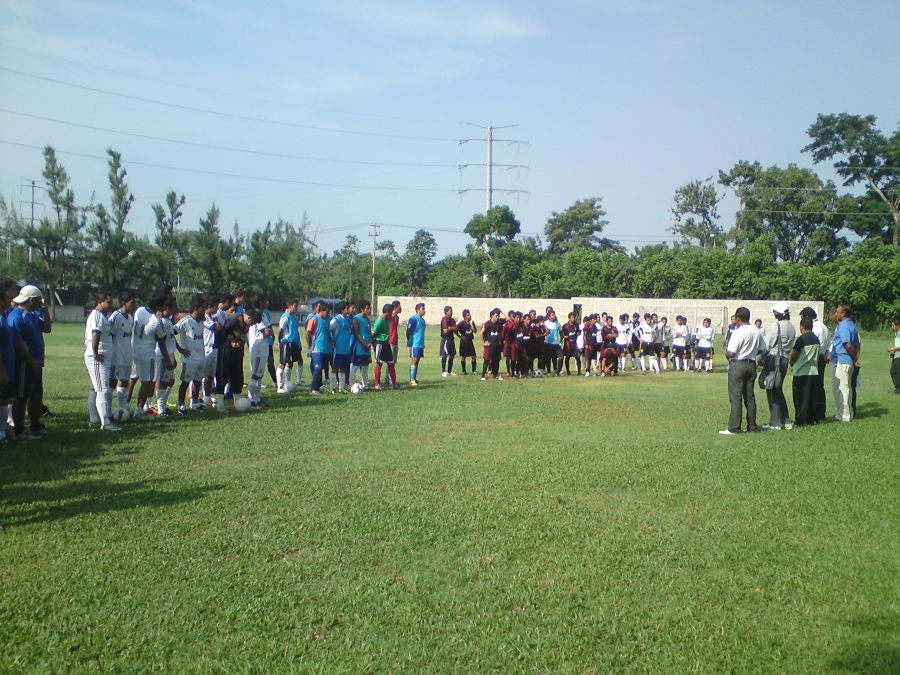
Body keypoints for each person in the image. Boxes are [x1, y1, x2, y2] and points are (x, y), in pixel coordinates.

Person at [8, 285, 53, 439]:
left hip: (36, 362)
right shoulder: (16, 317)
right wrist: (31, 361)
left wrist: (46, 313)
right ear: (31, 300)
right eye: (39, 300)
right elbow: (17, 343)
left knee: (36, 395)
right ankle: (19, 430)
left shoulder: (33, 314)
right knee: (21, 397)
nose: (41, 303)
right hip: (24, 363)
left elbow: (47, 329)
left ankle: (35, 426)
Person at [719, 306, 760, 435]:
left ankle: (734, 427)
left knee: (736, 397)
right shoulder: (756, 330)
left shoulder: (738, 332)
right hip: (751, 364)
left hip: (738, 364)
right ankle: (751, 426)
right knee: (750, 397)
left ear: (738, 318)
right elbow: (762, 349)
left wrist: (726, 355)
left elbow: (731, 353)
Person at [84, 292, 120, 431]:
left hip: (101, 357)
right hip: (98, 357)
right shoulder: (98, 315)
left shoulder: (101, 316)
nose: (111, 305)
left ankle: (94, 418)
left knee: (95, 388)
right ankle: (105, 422)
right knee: (102, 389)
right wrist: (95, 353)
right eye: (109, 302)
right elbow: (95, 334)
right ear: (100, 302)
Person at [763, 302, 797, 430]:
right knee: (778, 389)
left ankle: (775, 422)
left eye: (775, 312)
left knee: (771, 389)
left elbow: (767, 344)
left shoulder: (776, 326)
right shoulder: (791, 327)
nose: (774, 314)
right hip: (785, 358)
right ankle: (785, 420)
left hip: (774, 358)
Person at [213, 306, 253, 411]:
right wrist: (228, 343)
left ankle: (237, 404)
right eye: (251, 321)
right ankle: (220, 406)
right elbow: (221, 334)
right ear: (248, 317)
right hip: (225, 351)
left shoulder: (246, 324)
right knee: (222, 376)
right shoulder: (233, 320)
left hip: (237, 352)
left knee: (237, 377)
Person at [176, 296, 207, 413]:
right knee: (185, 382)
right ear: (196, 308)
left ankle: (195, 402)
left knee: (197, 381)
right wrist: (180, 349)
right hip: (189, 359)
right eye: (202, 308)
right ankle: (181, 405)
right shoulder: (186, 321)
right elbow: (170, 333)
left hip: (200, 357)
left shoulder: (201, 322)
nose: (204, 310)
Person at [829, 304, 860, 422]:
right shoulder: (853, 325)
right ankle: (846, 412)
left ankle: (844, 415)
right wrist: (855, 357)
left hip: (842, 360)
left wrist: (852, 357)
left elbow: (847, 344)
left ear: (843, 314)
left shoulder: (843, 326)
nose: (836, 314)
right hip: (846, 360)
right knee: (847, 388)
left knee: (842, 388)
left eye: (838, 312)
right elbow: (857, 344)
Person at [789, 318, 821, 427]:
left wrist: (791, 362)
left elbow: (794, 354)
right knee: (811, 397)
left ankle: (800, 420)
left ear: (801, 327)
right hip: (813, 371)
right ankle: (810, 419)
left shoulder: (801, 339)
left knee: (800, 398)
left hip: (801, 372)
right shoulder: (816, 339)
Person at [108, 291, 136, 415]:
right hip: (116, 357)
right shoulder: (115, 316)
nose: (134, 305)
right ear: (124, 303)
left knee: (123, 382)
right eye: (132, 302)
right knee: (112, 384)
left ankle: (122, 410)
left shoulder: (130, 318)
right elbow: (109, 336)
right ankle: (107, 412)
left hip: (127, 357)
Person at [800, 306, 829, 423]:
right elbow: (828, 343)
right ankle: (820, 414)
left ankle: (815, 414)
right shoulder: (824, 326)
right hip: (822, 356)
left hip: (815, 358)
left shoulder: (815, 328)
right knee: (819, 387)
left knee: (813, 388)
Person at [308, 303, 334, 396]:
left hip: (325, 348)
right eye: (326, 312)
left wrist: (332, 341)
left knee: (322, 368)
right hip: (317, 348)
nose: (328, 313)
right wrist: (309, 346)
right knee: (317, 367)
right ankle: (313, 389)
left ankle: (318, 387)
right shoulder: (314, 319)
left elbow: (327, 334)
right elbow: (308, 333)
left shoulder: (327, 320)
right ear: (321, 310)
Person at [330, 301, 355, 393]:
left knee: (343, 368)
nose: (349, 309)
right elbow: (328, 330)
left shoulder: (348, 320)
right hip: (338, 348)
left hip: (346, 348)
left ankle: (341, 387)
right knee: (335, 367)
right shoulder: (336, 320)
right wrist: (332, 341)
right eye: (347, 308)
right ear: (342, 310)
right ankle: (332, 387)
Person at [276, 299, 301, 393]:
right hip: (287, 342)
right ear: (290, 306)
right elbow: (280, 330)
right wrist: (280, 341)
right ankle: (279, 386)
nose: (296, 308)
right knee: (282, 363)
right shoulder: (285, 317)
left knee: (290, 363)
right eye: (295, 306)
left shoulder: (293, 317)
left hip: (294, 342)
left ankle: (287, 384)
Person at [372, 303, 398, 390]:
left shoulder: (388, 318)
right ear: (387, 312)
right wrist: (372, 344)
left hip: (386, 343)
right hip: (379, 343)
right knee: (379, 363)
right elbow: (373, 334)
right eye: (391, 311)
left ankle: (394, 383)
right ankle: (377, 384)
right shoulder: (379, 321)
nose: (392, 313)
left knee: (391, 363)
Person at [246, 308, 269, 407]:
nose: (267, 303)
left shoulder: (260, 315)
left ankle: (257, 399)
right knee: (255, 375)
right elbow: (266, 331)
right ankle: (251, 400)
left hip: (261, 349)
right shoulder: (257, 316)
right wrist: (269, 332)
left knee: (259, 376)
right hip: (258, 349)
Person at [202, 294, 221, 408]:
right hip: (205, 348)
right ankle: (195, 397)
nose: (217, 309)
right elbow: (216, 328)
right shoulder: (204, 317)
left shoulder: (212, 317)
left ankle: (207, 397)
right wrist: (217, 323)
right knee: (200, 375)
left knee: (210, 375)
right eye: (215, 307)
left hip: (213, 348)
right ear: (209, 306)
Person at [350, 300, 372, 389]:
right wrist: (364, 344)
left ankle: (365, 384)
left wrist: (370, 342)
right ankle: (351, 384)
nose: (369, 310)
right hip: (359, 346)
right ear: (362, 309)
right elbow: (357, 334)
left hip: (367, 346)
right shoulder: (356, 319)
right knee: (355, 365)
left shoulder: (367, 319)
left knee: (365, 366)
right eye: (367, 308)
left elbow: (370, 332)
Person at [480, 308, 503, 380]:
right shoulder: (487, 324)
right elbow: (481, 333)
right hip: (489, 346)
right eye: (496, 315)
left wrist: (499, 341)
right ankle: (483, 375)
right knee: (486, 360)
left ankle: (495, 374)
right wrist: (484, 342)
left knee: (497, 360)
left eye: (498, 315)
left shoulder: (499, 324)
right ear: (492, 316)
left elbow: (500, 332)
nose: (498, 317)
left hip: (496, 345)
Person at [406, 302, 426, 386]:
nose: (424, 310)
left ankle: (414, 378)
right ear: (418, 310)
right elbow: (408, 331)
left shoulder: (423, 320)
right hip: (414, 343)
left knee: (417, 360)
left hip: (420, 343)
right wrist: (409, 339)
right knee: (414, 360)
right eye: (423, 309)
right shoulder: (413, 319)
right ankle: (411, 379)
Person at [456, 309, 477, 375]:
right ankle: (464, 371)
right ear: (464, 316)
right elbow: (456, 329)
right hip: (464, 342)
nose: (469, 316)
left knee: (473, 355)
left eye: (469, 314)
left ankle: (474, 370)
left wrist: (471, 325)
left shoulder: (471, 323)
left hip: (470, 341)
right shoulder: (462, 323)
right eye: (468, 315)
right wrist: (460, 336)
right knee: (463, 356)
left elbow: (475, 331)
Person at [543, 309, 563, 376]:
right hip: (548, 343)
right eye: (552, 315)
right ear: (549, 317)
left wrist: (560, 341)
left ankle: (558, 372)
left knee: (561, 357)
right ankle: (549, 371)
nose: (554, 316)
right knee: (548, 358)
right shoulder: (545, 323)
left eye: (554, 314)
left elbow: (561, 333)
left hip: (556, 344)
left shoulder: (557, 324)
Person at [439, 306, 457, 377]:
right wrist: (451, 328)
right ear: (446, 312)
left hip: (451, 339)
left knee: (452, 355)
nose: (451, 312)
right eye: (450, 311)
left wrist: (451, 328)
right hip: (446, 339)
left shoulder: (452, 320)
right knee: (445, 355)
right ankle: (443, 371)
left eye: (452, 311)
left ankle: (449, 371)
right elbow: (445, 330)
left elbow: (456, 328)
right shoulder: (444, 319)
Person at [888, 317, 900, 395]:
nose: (892, 327)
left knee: (897, 373)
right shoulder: (896, 334)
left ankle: (898, 389)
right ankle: (897, 388)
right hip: (897, 355)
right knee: (893, 372)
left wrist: (892, 348)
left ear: (898, 325)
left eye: (893, 325)